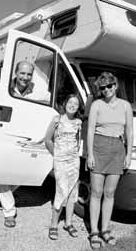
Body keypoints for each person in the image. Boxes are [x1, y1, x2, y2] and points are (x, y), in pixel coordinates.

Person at [87, 72, 133, 249]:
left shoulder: (125, 106)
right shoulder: (97, 105)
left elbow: (129, 131)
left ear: (116, 86)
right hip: (99, 148)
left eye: (109, 86)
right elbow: (90, 130)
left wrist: (128, 154)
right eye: (102, 87)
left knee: (109, 193)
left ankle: (105, 229)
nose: (106, 90)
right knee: (96, 192)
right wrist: (90, 154)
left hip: (117, 150)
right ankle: (94, 232)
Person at [0, 60, 35, 228]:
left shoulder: (36, 91)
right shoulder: (2, 87)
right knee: (3, 174)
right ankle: (9, 211)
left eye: (28, 74)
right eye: (22, 73)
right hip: (5, 135)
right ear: (16, 73)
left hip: (25, 138)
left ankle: (4, 195)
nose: (25, 77)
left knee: (23, 173)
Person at [44, 94, 82, 240]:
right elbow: (48, 140)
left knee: (72, 191)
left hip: (74, 160)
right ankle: (54, 225)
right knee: (60, 190)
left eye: (76, 104)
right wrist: (57, 155)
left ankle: (68, 223)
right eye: (70, 102)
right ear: (65, 103)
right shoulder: (57, 119)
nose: (73, 105)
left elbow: (77, 142)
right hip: (60, 160)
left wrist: (73, 155)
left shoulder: (78, 122)